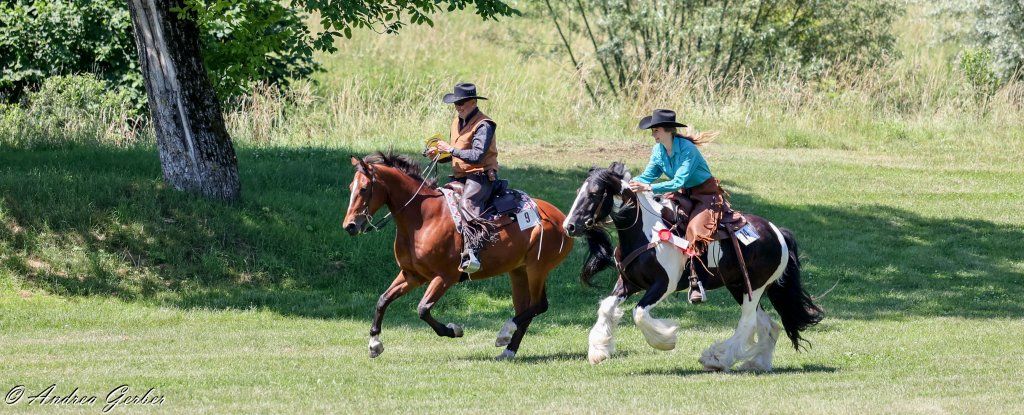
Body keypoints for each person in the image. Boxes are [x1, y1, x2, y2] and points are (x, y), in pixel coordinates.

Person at [628, 108, 735, 303]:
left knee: (696, 230)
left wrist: (648, 187)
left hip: (705, 195)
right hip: (683, 194)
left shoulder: (688, 150)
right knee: (664, 217)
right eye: (652, 130)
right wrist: (627, 184)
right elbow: (647, 175)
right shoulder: (658, 150)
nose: (653, 134)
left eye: (656, 130)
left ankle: (696, 281)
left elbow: (678, 181)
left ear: (668, 130)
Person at [429, 83, 499, 274]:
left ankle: (473, 253)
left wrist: (450, 149)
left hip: (481, 176)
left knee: (468, 203)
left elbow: (477, 155)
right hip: (460, 176)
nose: (458, 107)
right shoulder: (456, 121)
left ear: (474, 102)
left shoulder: (484, 124)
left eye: (462, 103)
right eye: (456, 104)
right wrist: (438, 153)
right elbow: (457, 154)